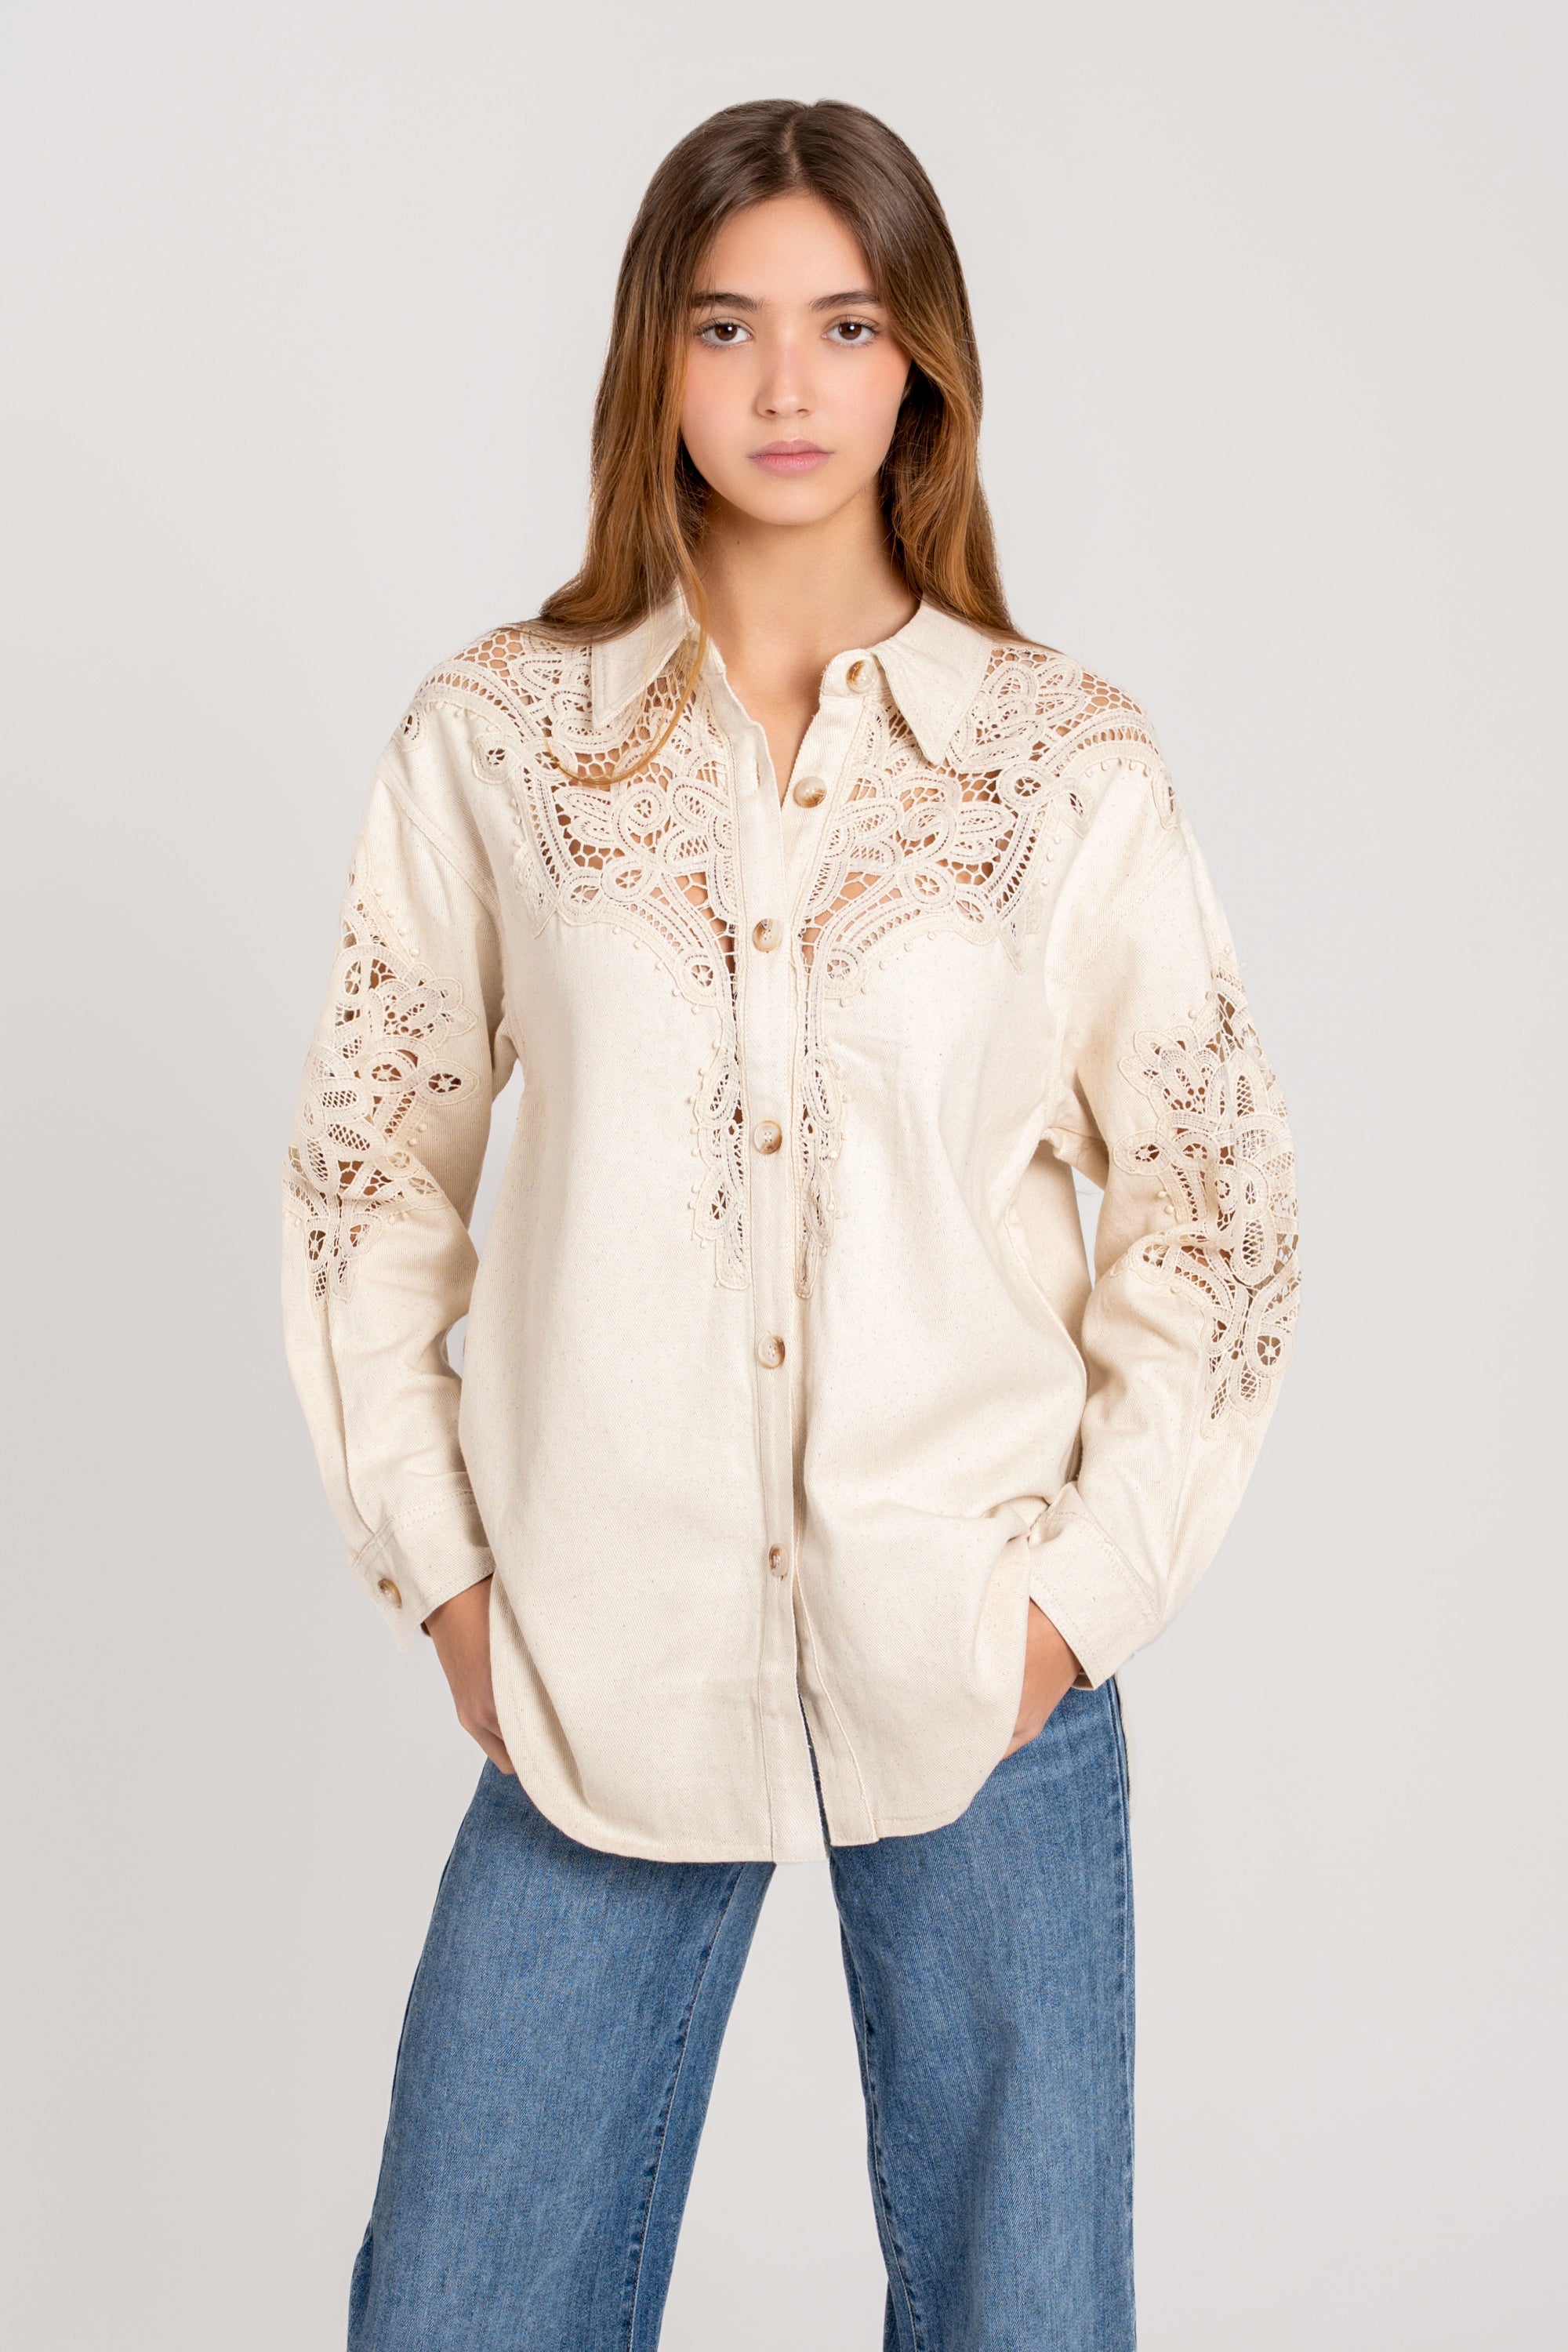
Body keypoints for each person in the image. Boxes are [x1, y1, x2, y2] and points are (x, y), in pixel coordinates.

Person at [281, 96, 1298, 2352]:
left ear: (921, 359)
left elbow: (1220, 1210)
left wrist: (1072, 1609)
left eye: (845, 325)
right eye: (728, 325)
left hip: (975, 1648)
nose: (784, 386)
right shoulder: (500, 745)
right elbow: (368, 1182)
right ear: (654, 353)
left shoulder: (1059, 766)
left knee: (1027, 2314)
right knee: (459, 2304)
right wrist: (448, 1577)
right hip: (604, 1649)